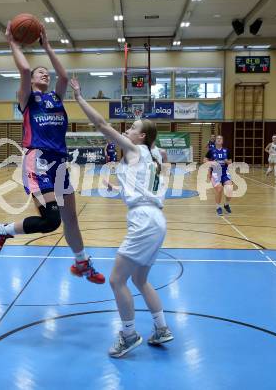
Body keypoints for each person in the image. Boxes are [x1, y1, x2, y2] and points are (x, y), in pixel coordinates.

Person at [0, 22, 105, 285]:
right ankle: (2, 231)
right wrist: (13, 44)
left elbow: (63, 77)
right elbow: (25, 69)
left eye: (46, 73)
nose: (44, 74)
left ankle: (82, 262)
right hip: (36, 160)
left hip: (59, 163)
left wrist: (47, 46)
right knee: (51, 221)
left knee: (71, 218)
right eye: (41, 73)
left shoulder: (55, 98)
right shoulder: (27, 98)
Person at [70, 78, 173, 358]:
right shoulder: (154, 157)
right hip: (156, 221)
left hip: (143, 222)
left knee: (116, 281)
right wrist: (117, 189)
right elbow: (144, 189)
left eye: (132, 129)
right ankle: (161, 328)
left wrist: (79, 97)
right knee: (140, 280)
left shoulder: (134, 149)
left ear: (140, 137)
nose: (127, 130)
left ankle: (128, 334)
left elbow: (101, 125)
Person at [205, 135, 233, 216]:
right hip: (215, 173)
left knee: (230, 188)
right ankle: (218, 207)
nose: (219, 140)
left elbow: (230, 161)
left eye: (221, 138)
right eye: (217, 138)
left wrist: (226, 161)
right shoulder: (211, 150)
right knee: (219, 188)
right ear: (215, 141)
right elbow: (205, 159)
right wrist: (212, 163)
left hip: (225, 172)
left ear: (222, 141)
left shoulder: (226, 150)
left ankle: (226, 204)